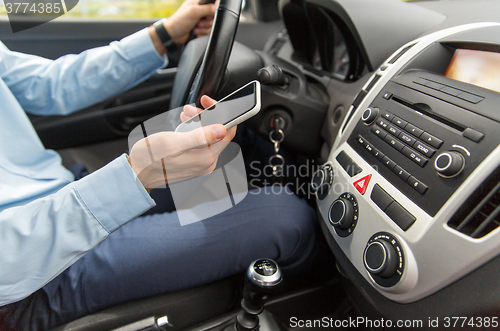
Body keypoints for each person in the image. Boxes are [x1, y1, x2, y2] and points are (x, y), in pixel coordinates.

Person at [0, 1, 317, 330]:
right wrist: (135, 177)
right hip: (32, 273)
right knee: (287, 218)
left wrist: (164, 33)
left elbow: (49, 84)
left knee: (239, 148)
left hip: (60, 197)